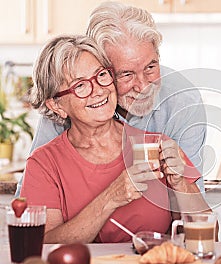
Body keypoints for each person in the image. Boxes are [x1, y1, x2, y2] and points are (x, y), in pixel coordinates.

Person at [20, 35, 212, 244]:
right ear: (56, 105)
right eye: (80, 86)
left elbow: (210, 237)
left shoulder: (156, 147)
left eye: (101, 75)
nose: (99, 90)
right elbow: (42, 246)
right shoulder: (44, 164)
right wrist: (112, 197)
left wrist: (180, 183)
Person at [15, 1, 206, 196]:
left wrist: (180, 181)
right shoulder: (71, 102)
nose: (143, 86)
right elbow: (30, 200)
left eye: (150, 67)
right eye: (126, 74)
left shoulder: (183, 102)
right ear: (99, 68)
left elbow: (192, 205)